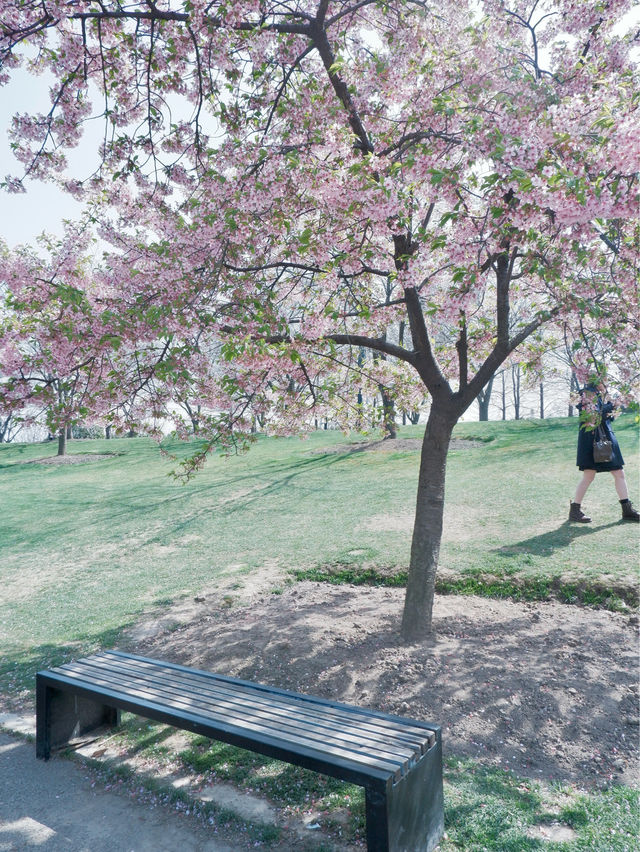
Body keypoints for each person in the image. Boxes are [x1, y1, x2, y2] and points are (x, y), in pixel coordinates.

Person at [569, 384, 639, 523]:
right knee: (589, 475)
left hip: (605, 438)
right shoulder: (586, 393)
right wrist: (612, 404)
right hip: (593, 440)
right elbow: (594, 415)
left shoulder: (601, 393)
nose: (607, 381)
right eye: (604, 377)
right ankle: (575, 510)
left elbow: (607, 417)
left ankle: (627, 510)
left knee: (619, 473)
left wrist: (615, 405)